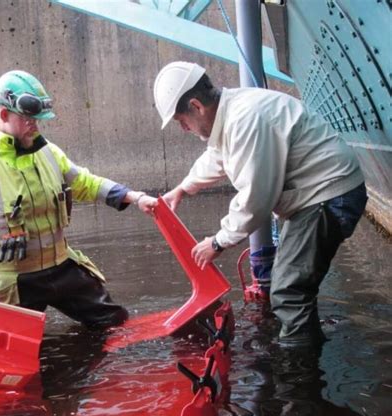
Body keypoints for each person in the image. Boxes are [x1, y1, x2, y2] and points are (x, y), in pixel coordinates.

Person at [0, 70, 157, 329]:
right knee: (13, 354)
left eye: (38, 119)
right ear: (3, 114)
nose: (36, 125)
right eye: (29, 119)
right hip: (14, 282)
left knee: (114, 323)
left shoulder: (48, 152)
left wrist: (133, 197)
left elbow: (85, 183)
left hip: (62, 268)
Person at [154, 61, 367, 347]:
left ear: (196, 106)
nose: (184, 128)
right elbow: (218, 157)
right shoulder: (232, 114)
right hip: (317, 194)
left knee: (289, 291)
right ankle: (305, 344)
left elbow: (255, 198)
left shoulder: (245, 119)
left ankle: (297, 375)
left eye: (182, 120)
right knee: (292, 285)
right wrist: (183, 188)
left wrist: (218, 242)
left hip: (327, 195)